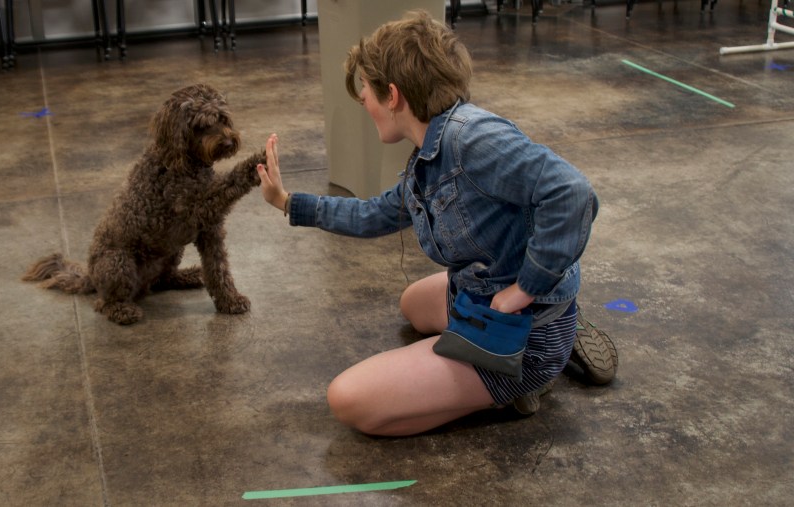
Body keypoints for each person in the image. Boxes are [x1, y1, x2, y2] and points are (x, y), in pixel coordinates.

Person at [255, 10, 617, 437]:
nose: (363, 104)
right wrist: (285, 201)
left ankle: (525, 373)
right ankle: (549, 326)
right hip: (484, 292)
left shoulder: (471, 139)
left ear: (393, 95)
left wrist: (527, 289)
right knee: (414, 304)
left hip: (518, 329)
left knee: (350, 401)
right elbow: (375, 214)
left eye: (366, 93)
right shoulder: (431, 151)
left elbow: (571, 192)